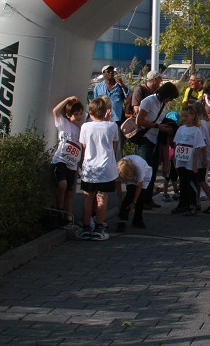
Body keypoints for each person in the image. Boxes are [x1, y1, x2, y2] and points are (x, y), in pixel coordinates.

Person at [77, 96, 120, 241]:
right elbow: (114, 145)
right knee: (102, 197)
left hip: (89, 168)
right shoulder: (112, 126)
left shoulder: (85, 126)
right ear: (106, 112)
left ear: (90, 113)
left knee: (87, 197)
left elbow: (83, 146)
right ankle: (100, 226)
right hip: (106, 168)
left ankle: (86, 226)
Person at [135, 81, 180, 207]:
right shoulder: (148, 101)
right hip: (145, 139)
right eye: (170, 98)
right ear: (165, 94)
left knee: (153, 170)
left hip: (155, 139)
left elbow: (160, 119)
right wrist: (157, 126)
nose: (170, 100)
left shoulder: (162, 104)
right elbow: (140, 121)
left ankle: (148, 199)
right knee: (145, 170)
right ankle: (141, 200)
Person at [50, 95, 85, 226]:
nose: (79, 116)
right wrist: (68, 99)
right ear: (69, 114)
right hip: (60, 160)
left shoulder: (79, 130)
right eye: (76, 114)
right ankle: (59, 209)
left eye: (80, 114)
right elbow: (55, 111)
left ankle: (68, 217)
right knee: (62, 184)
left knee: (70, 192)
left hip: (72, 164)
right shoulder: (64, 124)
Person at [172, 105, 207, 216]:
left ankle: (193, 204)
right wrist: (174, 159)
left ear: (192, 116)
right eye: (183, 116)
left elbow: (198, 148)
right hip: (181, 160)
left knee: (191, 183)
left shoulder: (196, 130)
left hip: (190, 162)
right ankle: (183, 204)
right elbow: (176, 144)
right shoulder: (181, 129)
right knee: (182, 182)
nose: (185, 118)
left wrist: (196, 164)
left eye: (187, 116)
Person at [116, 154, 152, 231]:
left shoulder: (139, 168)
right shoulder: (118, 169)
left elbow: (140, 185)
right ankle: (123, 220)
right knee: (129, 195)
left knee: (141, 197)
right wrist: (120, 201)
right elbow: (118, 185)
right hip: (128, 174)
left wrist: (134, 202)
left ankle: (138, 219)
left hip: (144, 174)